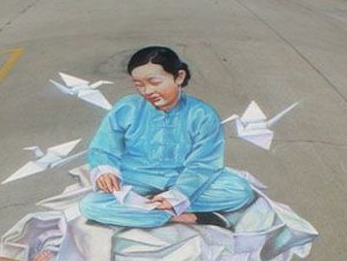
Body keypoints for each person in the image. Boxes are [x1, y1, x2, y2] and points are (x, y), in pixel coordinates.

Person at [80, 46, 255, 229]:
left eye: (154, 82)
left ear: (179, 77)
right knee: (89, 205)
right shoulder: (127, 107)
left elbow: (203, 163)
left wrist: (177, 195)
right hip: (136, 178)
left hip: (183, 178)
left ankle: (146, 209)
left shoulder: (202, 114)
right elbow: (103, 148)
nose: (147, 91)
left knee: (240, 191)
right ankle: (183, 217)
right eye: (139, 85)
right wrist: (106, 171)